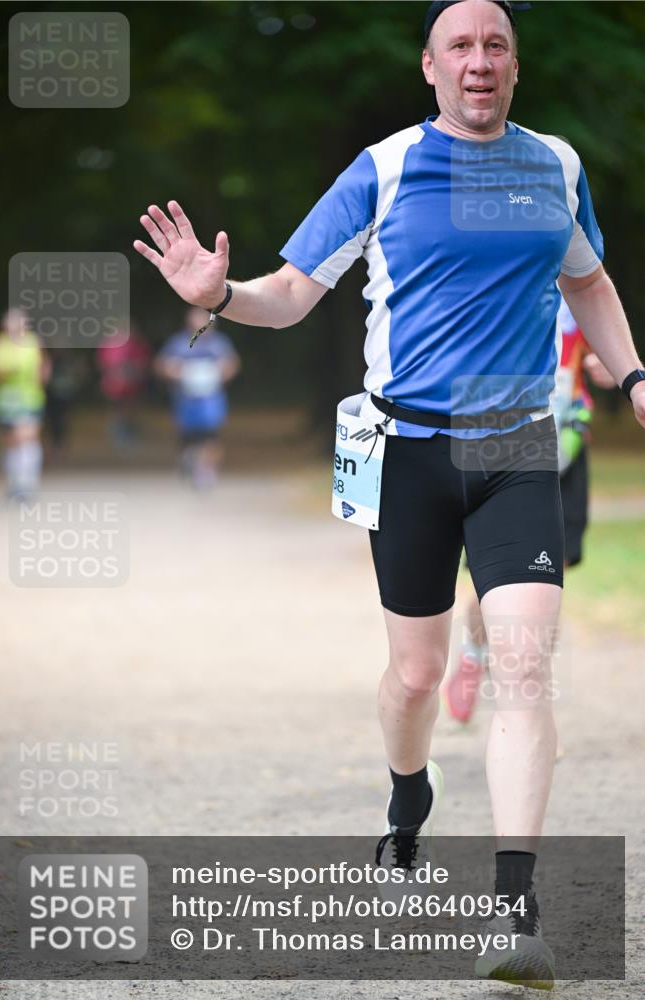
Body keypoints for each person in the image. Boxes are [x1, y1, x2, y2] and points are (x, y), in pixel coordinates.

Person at [134, 0, 645, 987]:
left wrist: (630, 376)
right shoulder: (385, 168)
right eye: (460, 45)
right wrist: (219, 297)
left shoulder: (558, 167)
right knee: (415, 676)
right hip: (404, 454)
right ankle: (408, 801)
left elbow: (588, 282)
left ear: (513, 64)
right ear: (429, 66)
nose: (480, 60)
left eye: (496, 43)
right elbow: (288, 293)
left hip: (519, 446)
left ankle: (513, 908)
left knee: (523, 666)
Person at [444, 296, 616, 724]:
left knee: (545, 581)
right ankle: (472, 654)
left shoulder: (581, 292)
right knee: (497, 577)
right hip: (505, 443)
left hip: (566, 446)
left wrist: (609, 369)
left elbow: (606, 356)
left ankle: (530, 708)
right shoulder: (501, 285)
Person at [154, 308, 240, 489]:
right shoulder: (178, 343)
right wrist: (173, 370)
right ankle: (187, 459)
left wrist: (221, 372)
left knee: (211, 435)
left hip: (211, 398)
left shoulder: (219, 343)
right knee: (188, 436)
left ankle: (206, 470)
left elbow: (232, 363)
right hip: (185, 397)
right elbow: (161, 365)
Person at [0, 308, 50, 499]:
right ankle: (14, 482)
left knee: (26, 437)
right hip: (4, 401)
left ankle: (27, 482)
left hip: (30, 398)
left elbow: (44, 365)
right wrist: (4, 372)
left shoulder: (34, 342)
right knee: (10, 443)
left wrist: (40, 379)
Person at [96, 321, 151, 451]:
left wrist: (133, 372)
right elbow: (102, 363)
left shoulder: (137, 345)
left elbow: (143, 363)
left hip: (133, 385)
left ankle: (130, 435)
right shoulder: (108, 344)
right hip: (113, 386)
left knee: (131, 410)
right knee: (117, 411)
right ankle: (117, 436)